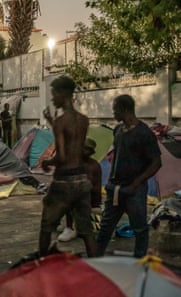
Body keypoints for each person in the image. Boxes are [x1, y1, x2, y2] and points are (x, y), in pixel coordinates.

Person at [96, 95, 161, 258]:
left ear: (125, 110)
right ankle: (95, 260)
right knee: (105, 228)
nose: (113, 113)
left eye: (115, 110)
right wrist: (110, 179)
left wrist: (137, 182)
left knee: (140, 229)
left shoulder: (144, 133)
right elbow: (116, 155)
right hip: (114, 189)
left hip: (134, 191)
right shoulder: (118, 130)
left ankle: (140, 263)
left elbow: (156, 163)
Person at [39, 76, 96, 257]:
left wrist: (48, 162)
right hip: (82, 179)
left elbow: (63, 156)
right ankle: (97, 268)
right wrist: (52, 123)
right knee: (86, 231)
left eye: (54, 94)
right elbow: (75, 149)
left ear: (64, 94)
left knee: (47, 226)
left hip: (64, 181)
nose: (53, 99)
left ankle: (40, 265)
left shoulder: (61, 121)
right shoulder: (83, 120)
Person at [57, 138, 103, 242]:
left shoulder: (93, 165)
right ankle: (69, 226)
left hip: (90, 199)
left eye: (86, 149)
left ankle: (71, 228)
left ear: (91, 152)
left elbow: (90, 186)